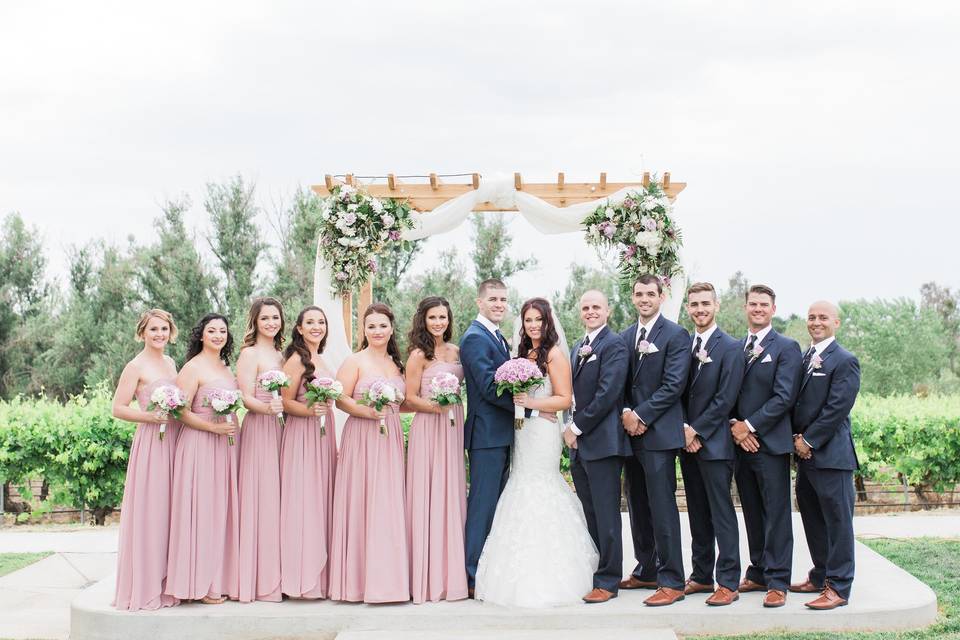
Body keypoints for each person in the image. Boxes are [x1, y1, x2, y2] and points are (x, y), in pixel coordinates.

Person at [474, 297, 598, 607]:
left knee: (541, 484)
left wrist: (531, 405)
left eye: (538, 320)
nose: (533, 325)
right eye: (528, 320)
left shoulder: (554, 354)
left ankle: (555, 570)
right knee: (519, 483)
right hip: (522, 432)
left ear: (548, 322)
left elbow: (564, 398)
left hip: (543, 433)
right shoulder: (520, 354)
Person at [329, 303, 409, 603]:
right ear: (364, 330)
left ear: (391, 328)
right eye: (371, 326)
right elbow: (340, 399)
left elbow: (405, 402)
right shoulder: (355, 361)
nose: (377, 331)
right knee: (362, 501)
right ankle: (357, 582)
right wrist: (366, 412)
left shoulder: (396, 364)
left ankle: (388, 581)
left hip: (389, 438)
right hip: (362, 436)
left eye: (382, 325)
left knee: (387, 503)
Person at [619, 274, 691, 607]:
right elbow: (617, 383)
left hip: (659, 436)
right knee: (636, 505)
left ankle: (673, 579)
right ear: (632, 298)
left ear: (661, 297)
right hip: (628, 437)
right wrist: (625, 414)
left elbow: (674, 384)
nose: (644, 298)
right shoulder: (624, 336)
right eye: (639, 293)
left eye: (650, 293)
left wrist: (641, 415)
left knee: (662, 507)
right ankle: (646, 568)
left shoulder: (676, 335)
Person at [731, 284, 802, 608]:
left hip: (770, 445)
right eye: (753, 304)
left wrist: (751, 425)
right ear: (745, 307)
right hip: (740, 444)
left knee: (777, 514)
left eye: (763, 304)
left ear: (773, 309)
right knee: (753, 513)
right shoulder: (735, 347)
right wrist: (736, 426)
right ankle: (758, 571)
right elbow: (726, 391)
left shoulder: (786, 347)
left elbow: (784, 396)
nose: (757, 309)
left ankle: (777, 580)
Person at [789, 301, 861, 610]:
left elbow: (837, 407)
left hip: (832, 456)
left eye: (823, 317)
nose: (816, 322)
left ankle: (839, 586)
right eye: (812, 317)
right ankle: (820, 575)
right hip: (805, 456)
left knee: (838, 522)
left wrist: (810, 440)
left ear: (836, 323)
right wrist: (794, 438)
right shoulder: (806, 357)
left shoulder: (844, 360)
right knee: (813, 519)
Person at [165, 313, 241, 604]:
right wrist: (211, 427)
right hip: (199, 444)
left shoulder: (225, 367)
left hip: (226, 446)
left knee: (221, 511)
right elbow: (179, 410)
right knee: (201, 510)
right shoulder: (192, 368)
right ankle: (197, 583)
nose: (218, 335)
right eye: (212, 330)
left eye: (223, 330)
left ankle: (217, 579)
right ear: (200, 335)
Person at [679, 282, 745, 606]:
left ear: (716, 306)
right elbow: (677, 390)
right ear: (688, 308)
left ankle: (729, 582)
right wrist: (682, 430)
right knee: (696, 513)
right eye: (694, 304)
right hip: (686, 444)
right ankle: (702, 575)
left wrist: (697, 431)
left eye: (705, 303)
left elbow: (725, 398)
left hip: (714, 444)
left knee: (721, 514)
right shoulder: (683, 344)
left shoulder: (731, 347)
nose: (699, 309)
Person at [112, 309, 180, 611]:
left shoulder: (170, 362)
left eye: (164, 329)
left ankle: (170, 581)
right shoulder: (134, 366)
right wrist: (150, 417)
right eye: (153, 329)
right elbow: (118, 408)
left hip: (175, 440)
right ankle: (146, 585)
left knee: (170, 510)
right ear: (142, 332)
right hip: (152, 442)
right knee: (151, 511)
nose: (159, 334)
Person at [566, 290, 630, 604]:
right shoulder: (579, 346)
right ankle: (594, 572)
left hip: (603, 443)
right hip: (580, 446)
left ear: (607, 310)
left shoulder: (614, 344)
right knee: (589, 513)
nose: (591, 311)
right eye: (586, 307)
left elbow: (608, 394)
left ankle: (608, 580)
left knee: (607, 515)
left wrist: (576, 427)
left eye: (596, 307)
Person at [404, 297, 468, 603]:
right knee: (426, 494)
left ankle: (450, 573)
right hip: (429, 426)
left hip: (453, 427)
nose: (438, 322)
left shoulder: (456, 351)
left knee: (450, 493)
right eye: (433, 317)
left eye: (443, 317)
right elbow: (409, 398)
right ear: (423, 320)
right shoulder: (418, 354)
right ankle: (424, 577)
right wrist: (436, 405)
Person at [460, 278, 517, 596]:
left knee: (496, 505)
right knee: (482, 505)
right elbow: (488, 385)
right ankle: (470, 575)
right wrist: (527, 408)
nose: (499, 304)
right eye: (493, 299)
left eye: (504, 300)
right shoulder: (474, 338)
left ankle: (487, 568)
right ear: (479, 302)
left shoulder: (496, 337)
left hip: (500, 434)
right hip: (486, 435)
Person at [280, 305, 338, 599]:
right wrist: (308, 410)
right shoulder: (295, 360)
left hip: (323, 435)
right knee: (303, 501)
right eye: (310, 322)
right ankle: (300, 579)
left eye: (321, 322)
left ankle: (320, 577)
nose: (317, 327)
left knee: (321, 499)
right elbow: (285, 402)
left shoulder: (321, 359)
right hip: (302, 434)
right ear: (299, 328)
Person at [236, 297, 285, 602]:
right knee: (260, 497)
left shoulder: (282, 355)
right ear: (255, 322)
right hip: (259, 428)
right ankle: (255, 578)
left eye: (275, 318)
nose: (270, 323)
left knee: (278, 499)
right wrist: (267, 409)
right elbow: (244, 396)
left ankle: (277, 573)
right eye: (264, 318)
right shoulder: (249, 354)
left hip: (282, 430)